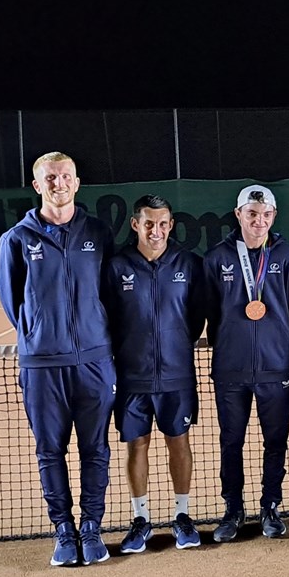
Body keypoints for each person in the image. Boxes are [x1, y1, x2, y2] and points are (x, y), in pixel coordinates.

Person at [0, 151, 115, 566]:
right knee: (50, 450)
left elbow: (110, 294)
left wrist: (93, 337)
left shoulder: (98, 233)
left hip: (95, 362)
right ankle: (64, 531)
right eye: (50, 177)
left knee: (95, 449)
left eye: (65, 176)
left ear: (77, 183)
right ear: (37, 185)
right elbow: (13, 304)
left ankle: (92, 529)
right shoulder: (16, 239)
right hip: (42, 366)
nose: (58, 183)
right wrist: (41, 337)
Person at [203, 184, 289, 541]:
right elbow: (211, 312)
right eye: (251, 214)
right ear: (239, 215)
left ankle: (271, 506)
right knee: (231, 442)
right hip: (230, 370)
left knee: (275, 441)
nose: (258, 221)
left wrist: (274, 343)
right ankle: (233, 509)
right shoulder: (216, 259)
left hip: (275, 368)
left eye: (265, 215)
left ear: (273, 216)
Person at [104, 195, 206, 552]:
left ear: (171, 224)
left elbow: (195, 318)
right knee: (137, 445)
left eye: (163, 223)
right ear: (135, 225)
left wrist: (174, 346)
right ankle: (141, 520)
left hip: (177, 376)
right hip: (132, 378)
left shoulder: (188, 264)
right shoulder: (116, 267)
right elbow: (109, 318)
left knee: (179, 442)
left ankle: (182, 516)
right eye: (149, 223)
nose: (156, 231)